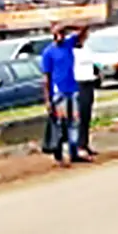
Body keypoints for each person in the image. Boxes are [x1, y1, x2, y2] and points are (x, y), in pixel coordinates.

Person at [39, 24, 83, 165]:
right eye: (58, 33)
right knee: (59, 125)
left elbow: (84, 29)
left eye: (62, 33)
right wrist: (47, 99)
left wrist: (66, 24)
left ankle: (73, 153)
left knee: (74, 122)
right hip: (58, 93)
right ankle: (58, 155)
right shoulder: (48, 52)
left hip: (72, 90)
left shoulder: (68, 45)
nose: (60, 36)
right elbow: (46, 78)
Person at [74, 26, 100, 159]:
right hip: (79, 84)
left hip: (89, 82)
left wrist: (96, 73)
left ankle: (85, 143)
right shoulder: (71, 50)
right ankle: (78, 145)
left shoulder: (86, 49)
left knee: (87, 116)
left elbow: (92, 64)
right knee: (79, 116)